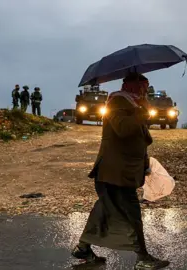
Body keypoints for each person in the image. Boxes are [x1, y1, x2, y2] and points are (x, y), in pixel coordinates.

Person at [72, 73, 169, 270]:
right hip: (115, 171)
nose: (144, 90)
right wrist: (142, 113)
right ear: (131, 85)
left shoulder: (133, 103)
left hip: (123, 170)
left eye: (146, 86)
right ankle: (142, 258)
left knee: (104, 209)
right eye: (142, 86)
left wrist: (144, 163)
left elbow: (140, 136)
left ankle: (83, 248)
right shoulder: (117, 101)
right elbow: (123, 129)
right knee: (131, 212)